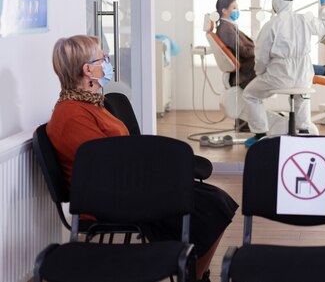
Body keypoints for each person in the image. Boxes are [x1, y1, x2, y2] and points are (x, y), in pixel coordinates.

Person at [46, 35, 237, 282]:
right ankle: (192, 274)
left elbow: (120, 155)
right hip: (110, 197)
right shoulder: (72, 116)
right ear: (88, 69)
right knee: (208, 206)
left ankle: (195, 274)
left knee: (214, 201)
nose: (107, 62)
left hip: (124, 186)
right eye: (103, 58)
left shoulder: (90, 104)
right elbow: (106, 165)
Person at [242, 0, 325, 146]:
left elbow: (261, 56)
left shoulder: (271, 25)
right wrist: (324, 5)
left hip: (280, 75)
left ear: (275, 2)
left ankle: (260, 134)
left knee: (250, 94)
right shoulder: (304, 19)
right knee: (301, 96)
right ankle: (303, 131)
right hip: (304, 74)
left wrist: (260, 72)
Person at [215, 0, 325, 87]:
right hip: (248, 67)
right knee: (287, 62)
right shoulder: (225, 29)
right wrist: (261, 48)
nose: (237, 11)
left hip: (252, 62)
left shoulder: (228, 26)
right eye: (234, 8)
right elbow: (242, 51)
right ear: (224, 11)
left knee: (290, 62)